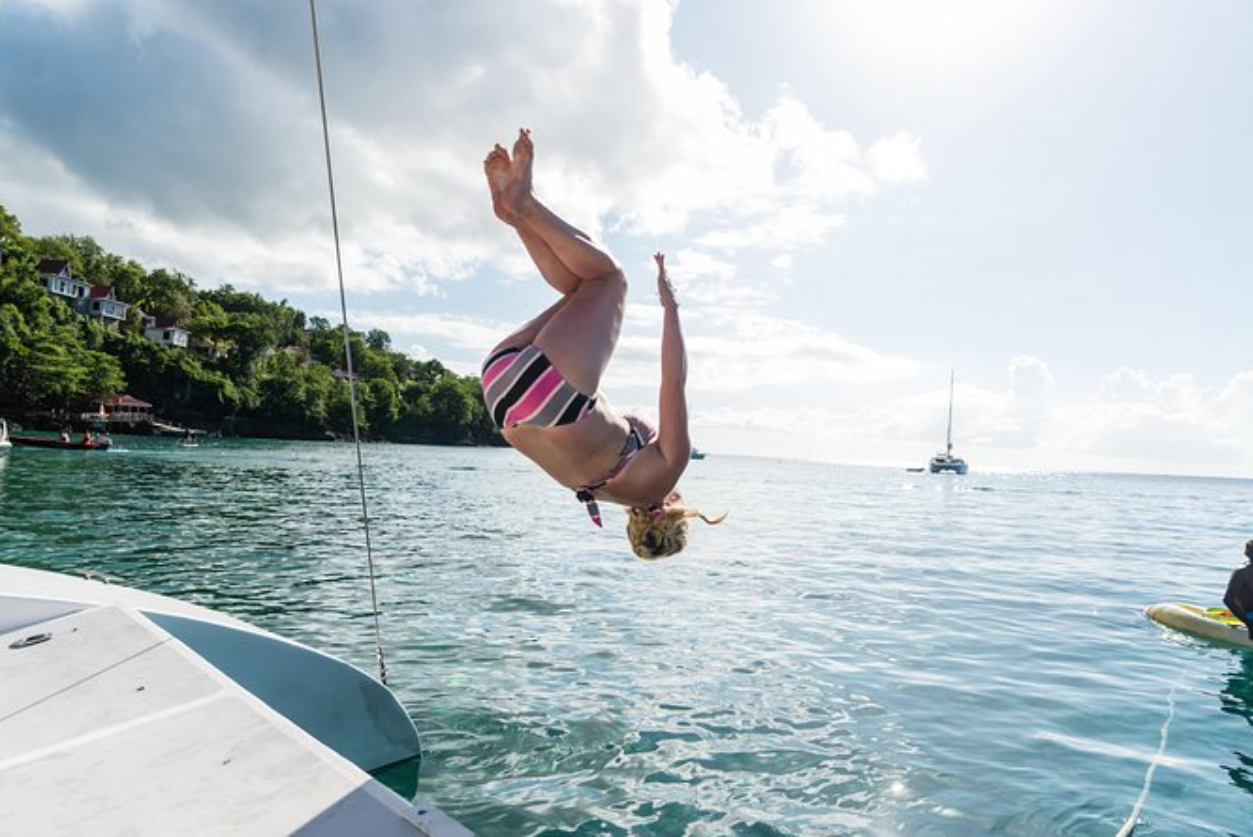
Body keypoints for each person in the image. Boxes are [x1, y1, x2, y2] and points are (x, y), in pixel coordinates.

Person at [480, 129, 723, 559]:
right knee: (580, 289)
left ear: (676, 509)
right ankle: (512, 213)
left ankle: (524, 205)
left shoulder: (667, 472)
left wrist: (671, 309)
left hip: (552, 396)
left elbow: (673, 383)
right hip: (501, 392)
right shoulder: (600, 492)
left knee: (609, 279)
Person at [1224, 540, 1253, 639]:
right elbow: (1228, 599)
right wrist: (1249, 624)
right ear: (1247, 554)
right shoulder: (1241, 572)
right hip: (1248, 613)